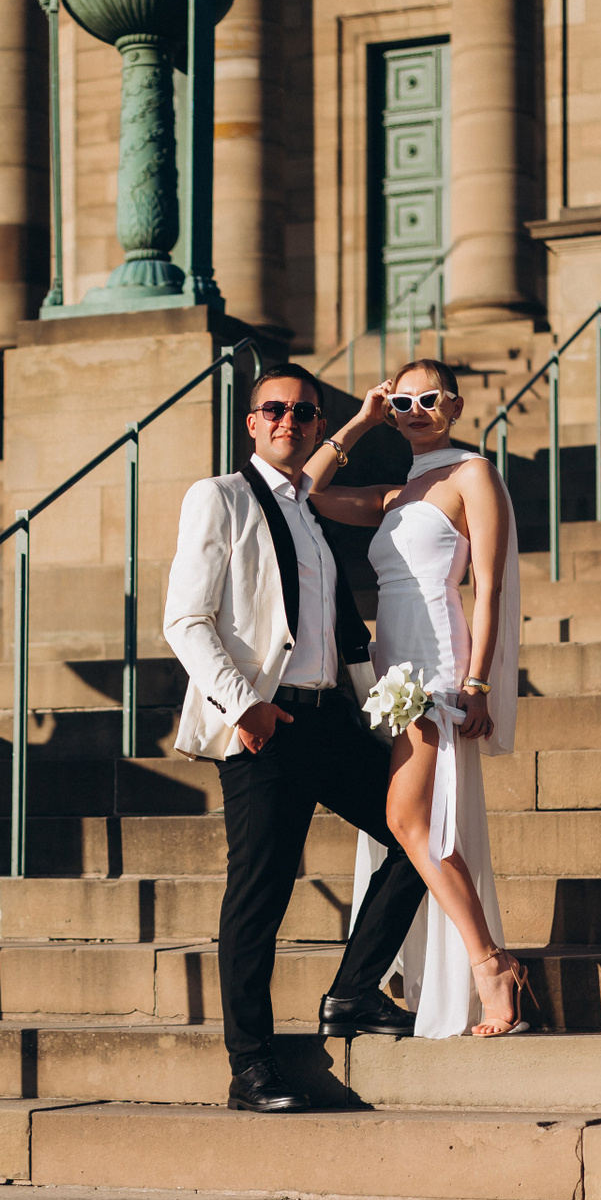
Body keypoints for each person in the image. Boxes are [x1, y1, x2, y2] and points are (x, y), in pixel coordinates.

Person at [163, 362, 430, 1113]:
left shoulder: (306, 507)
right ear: (251, 424)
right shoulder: (219, 496)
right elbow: (185, 620)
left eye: (304, 412)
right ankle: (250, 1065)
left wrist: (365, 421)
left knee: (418, 835)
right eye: (275, 409)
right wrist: (244, 705)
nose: (290, 420)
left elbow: (332, 620)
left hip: (328, 718)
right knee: (260, 894)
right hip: (264, 725)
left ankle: (352, 992)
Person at [304, 358, 529, 1038]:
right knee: (412, 823)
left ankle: (490, 964)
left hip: (436, 666)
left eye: (429, 399)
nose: (415, 412)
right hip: (389, 670)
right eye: (401, 403)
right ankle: (469, 962)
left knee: (406, 821)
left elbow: (488, 587)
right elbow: (305, 491)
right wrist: (359, 421)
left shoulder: (472, 475)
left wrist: (478, 682)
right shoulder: (393, 495)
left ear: (454, 405)